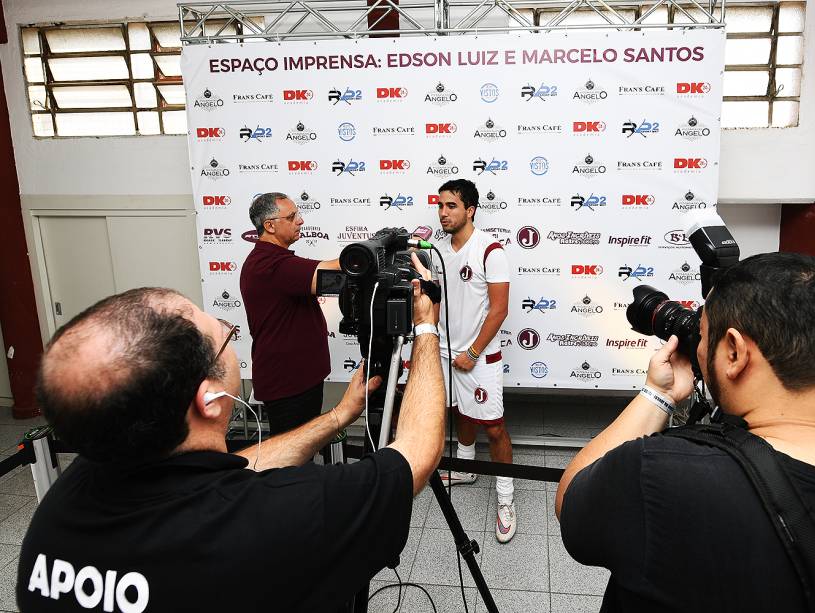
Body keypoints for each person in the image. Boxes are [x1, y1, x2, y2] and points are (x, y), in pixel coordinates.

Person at [18, 261, 444, 612]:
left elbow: (230, 476)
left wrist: (337, 416)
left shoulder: (63, 508)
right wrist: (426, 328)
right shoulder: (288, 516)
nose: (230, 339)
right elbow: (416, 454)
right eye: (225, 335)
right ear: (210, 399)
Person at [555, 252, 815, 612]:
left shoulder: (660, 476)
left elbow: (571, 501)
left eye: (701, 336)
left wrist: (659, 394)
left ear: (734, 353)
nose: (698, 348)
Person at [431, 178, 516, 543]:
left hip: (479, 356)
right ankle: (466, 467)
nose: (443, 212)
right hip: (445, 352)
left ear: (470, 210)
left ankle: (506, 497)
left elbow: (499, 311)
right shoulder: (436, 251)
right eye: (440, 205)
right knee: (459, 411)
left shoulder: (490, 250)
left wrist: (472, 352)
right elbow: (436, 303)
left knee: (493, 426)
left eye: (451, 206)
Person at [240, 192, 338, 435]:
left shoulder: (278, 260)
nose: (300, 221)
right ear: (270, 225)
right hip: (288, 383)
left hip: (300, 378)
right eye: (292, 216)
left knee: (302, 451)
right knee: (291, 459)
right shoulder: (269, 265)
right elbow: (327, 273)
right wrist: (365, 253)